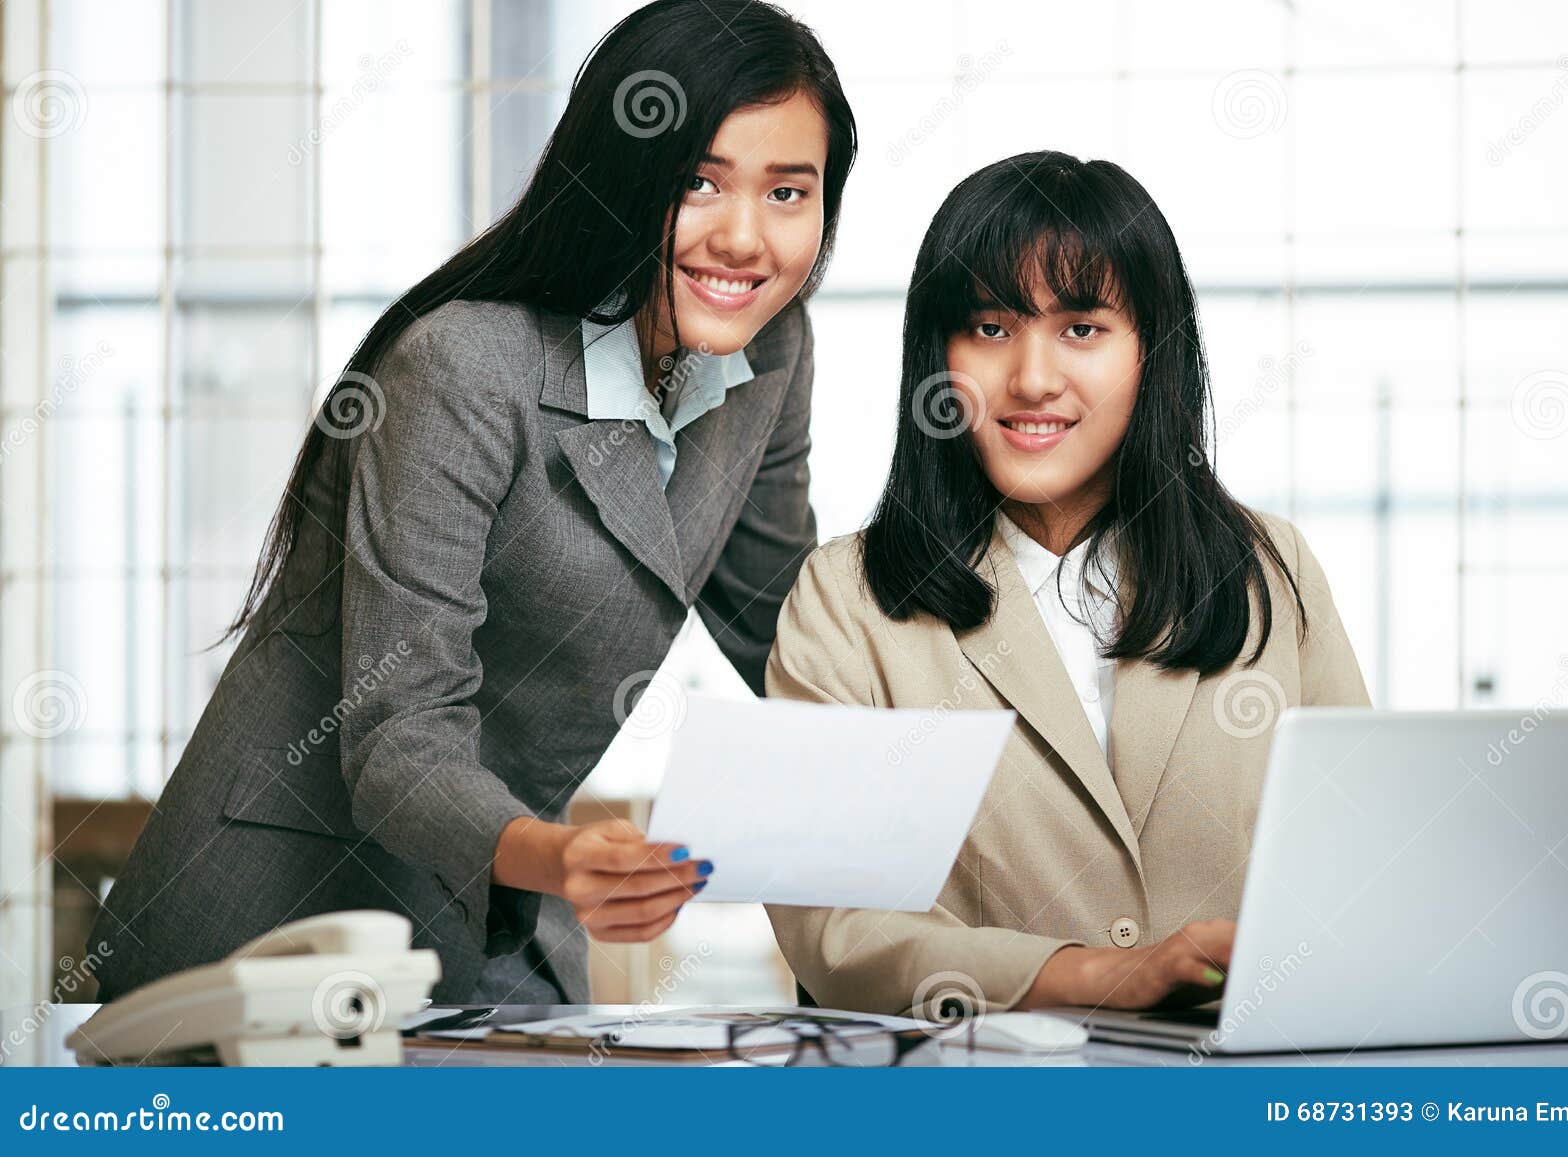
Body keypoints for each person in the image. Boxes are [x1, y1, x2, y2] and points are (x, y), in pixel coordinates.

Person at [89, 0, 856, 1006]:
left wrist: (951, 745)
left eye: (788, 190)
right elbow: (399, 734)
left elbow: (788, 634)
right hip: (281, 913)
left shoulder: (772, 353)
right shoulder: (462, 365)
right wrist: (567, 858)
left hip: (497, 897)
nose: (744, 237)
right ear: (623, 176)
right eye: (698, 182)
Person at [764, 151, 1368, 1018]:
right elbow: (837, 925)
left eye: (1081, 328)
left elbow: (1357, 858)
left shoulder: (1271, 569)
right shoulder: (847, 599)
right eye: (991, 327)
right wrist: (1100, 975)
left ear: (1151, 353)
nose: (1034, 378)